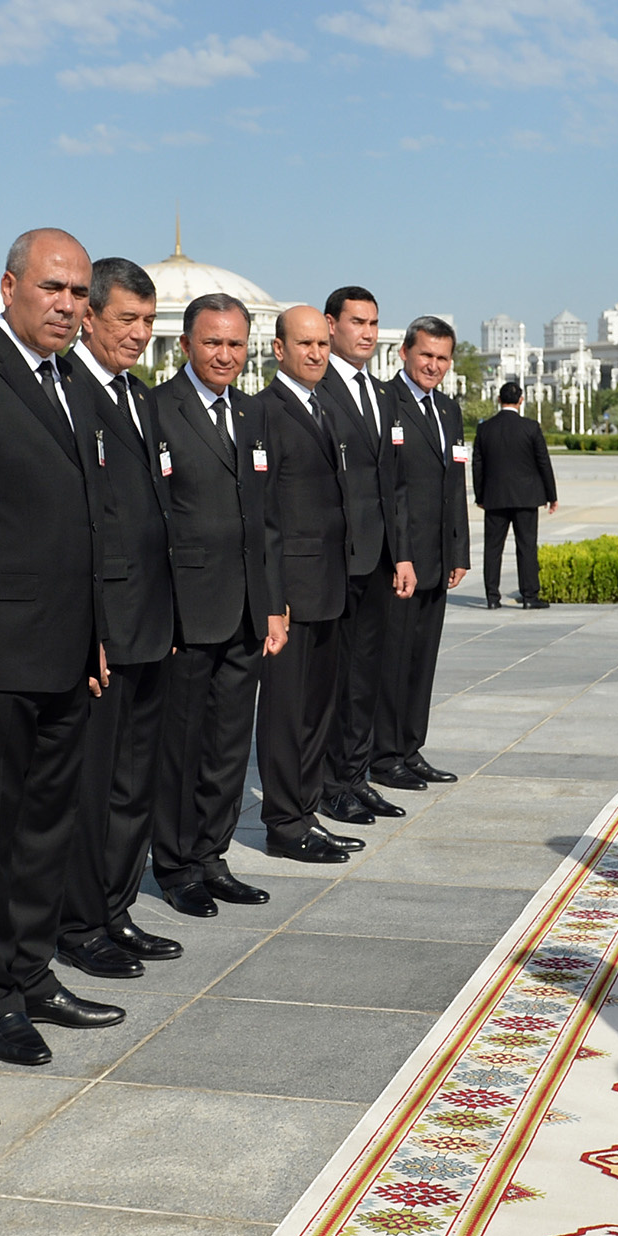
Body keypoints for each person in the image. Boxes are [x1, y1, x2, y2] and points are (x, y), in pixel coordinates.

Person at [0, 229, 125, 1067]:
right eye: (53, 288)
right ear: (8, 287)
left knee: (48, 825)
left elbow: (89, 521)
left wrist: (98, 634)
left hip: (67, 652)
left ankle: (32, 969)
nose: (68, 306)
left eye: (79, 293)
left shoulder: (74, 382)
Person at [58, 256, 186, 974]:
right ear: (89, 316)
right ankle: (78, 925)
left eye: (146, 321)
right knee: (92, 786)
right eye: (125, 320)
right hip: (102, 630)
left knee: (135, 782)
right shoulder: (69, 390)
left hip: (149, 625)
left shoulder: (138, 398)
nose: (138, 334)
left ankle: (115, 907)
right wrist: (96, 628)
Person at [151, 293, 287, 916]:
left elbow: (267, 518)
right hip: (187, 611)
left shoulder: (254, 415)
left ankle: (212, 854)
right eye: (212, 343)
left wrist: (274, 605)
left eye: (236, 344)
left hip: (246, 611)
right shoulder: (157, 410)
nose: (225, 355)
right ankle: (176, 864)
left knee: (231, 743)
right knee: (182, 744)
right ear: (185, 345)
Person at [257, 307, 366, 864]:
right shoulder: (266, 412)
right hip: (292, 591)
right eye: (305, 344)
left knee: (318, 708)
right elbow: (266, 514)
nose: (318, 353)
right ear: (278, 349)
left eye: (324, 344)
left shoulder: (323, 407)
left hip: (330, 583)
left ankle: (305, 811)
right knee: (286, 712)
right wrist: (274, 597)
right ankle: (283, 822)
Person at [318, 287, 412, 824]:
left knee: (366, 675)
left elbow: (391, 485)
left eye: (375, 323)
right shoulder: (317, 387)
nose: (369, 333)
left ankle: (356, 776)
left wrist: (401, 554)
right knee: (336, 678)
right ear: (332, 325)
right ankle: (332, 783)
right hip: (336, 558)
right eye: (358, 322)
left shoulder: (382, 393)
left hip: (378, 557)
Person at [371, 316, 469, 791]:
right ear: (404, 353)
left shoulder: (448, 410)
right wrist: (401, 555)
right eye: (425, 354)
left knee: (422, 659)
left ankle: (410, 747)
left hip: (436, 557)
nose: (433, 365)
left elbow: (456, 482)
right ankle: (384, 753)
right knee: (393, 658)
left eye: (442, 358)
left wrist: (459, 549)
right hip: (401, 560)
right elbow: (391, 490)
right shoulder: (385, 403)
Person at [470, 380, 557, 608]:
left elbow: (477, 466)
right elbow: (543, 463)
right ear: (521, 400)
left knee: (493, 548)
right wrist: (551, 495)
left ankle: (491, 597)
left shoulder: (484, 429)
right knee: (527, 546)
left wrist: (480, 496)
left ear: (498, 400)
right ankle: (530, 597)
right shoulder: (531, 427)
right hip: (526, 498)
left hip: (494, 497)